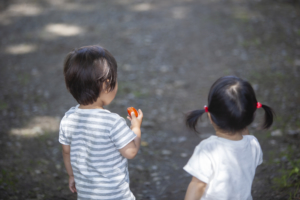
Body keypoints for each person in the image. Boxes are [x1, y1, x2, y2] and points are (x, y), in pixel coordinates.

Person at [59, 45, 143, 200]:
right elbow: (130, 152)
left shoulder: (68, 119)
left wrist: (71, 175)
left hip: (86, 195)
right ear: (106, 85)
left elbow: (66, 152)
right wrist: (135, 128)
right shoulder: (112, 122)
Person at [183, 76, 274, 200]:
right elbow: (244, 138)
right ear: (252, 115)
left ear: (210, 116)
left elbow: (198, 185)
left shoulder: (208, 149)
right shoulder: (253, 145)